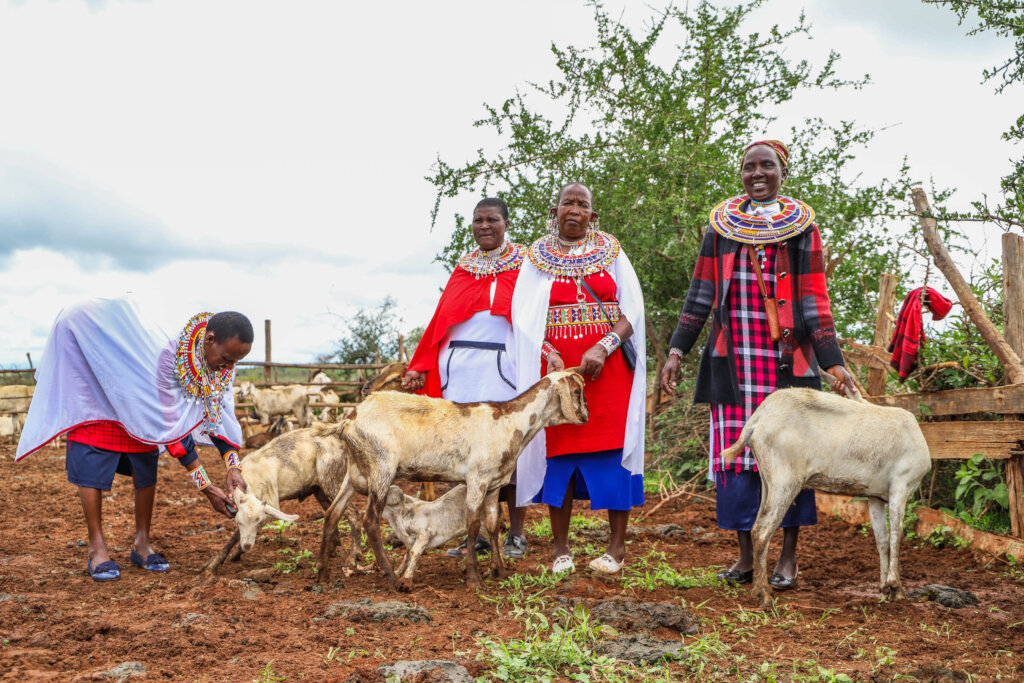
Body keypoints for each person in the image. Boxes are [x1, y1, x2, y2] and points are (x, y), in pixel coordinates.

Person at [659, 140, 856, 591]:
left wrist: (833, 362)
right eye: (749, 167)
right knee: (736, 454)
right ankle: (747, 557)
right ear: (741, 174)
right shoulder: (722, 227)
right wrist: (676, 352)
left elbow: (814, 300)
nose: (757, 173)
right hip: (732, 361)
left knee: (790, 456)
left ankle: (787, 558)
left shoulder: (801, 227)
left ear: (783, 171)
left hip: (788, 361)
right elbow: (700, 295)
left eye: (767, 165)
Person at [17, 298, 253, 581]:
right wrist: (205, 486)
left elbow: (219, 412)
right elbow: (170, 429)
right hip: (102, 390)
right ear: (210, 339)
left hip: (140, 402)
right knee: (92, 458)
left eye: (235, 361)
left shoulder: (221, 365)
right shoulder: (170, 358)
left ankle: (142, 544)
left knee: (145, 459)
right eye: (226, 359)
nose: (229, 367)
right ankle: (97, 547)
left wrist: (233, 466)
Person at [512, 182, 646, 575]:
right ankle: (560, 550)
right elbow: (523, 318)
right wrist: (549, 354)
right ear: (554, 213)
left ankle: (616, 549)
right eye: (567, 203)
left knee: (611, 448)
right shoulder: (535, 258)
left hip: (608, 372)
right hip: (557, 375)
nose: (574, 209)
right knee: (560, 452)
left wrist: (604, 346)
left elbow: (632, 309)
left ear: (593, 214)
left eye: (582, 204)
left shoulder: (613, 252)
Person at [402, 198, 529, 559]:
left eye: (491, 220)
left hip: (505, 370)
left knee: (510, 452)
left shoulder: (524, 266)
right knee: (468, 458)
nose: (484, 226)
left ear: (506, 223)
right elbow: (440, 321)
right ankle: (477, 536)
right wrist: (420, 366)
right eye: (477, 220)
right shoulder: (464, 267)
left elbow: (535, 320)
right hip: (460, 370)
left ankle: (516, 535)